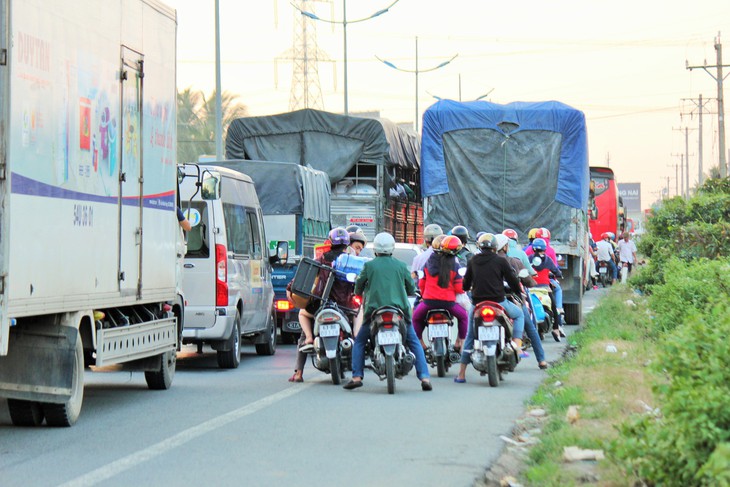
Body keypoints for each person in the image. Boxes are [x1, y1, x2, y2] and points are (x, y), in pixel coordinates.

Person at [343, 232, 432, 391]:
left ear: (375, 249)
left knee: (360, 342)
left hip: (373, 312)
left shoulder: (369, 266)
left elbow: (358, 287)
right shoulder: (400, 265)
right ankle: (424, 377)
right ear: (392, 248)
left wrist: (359, 292)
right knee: (413, 342)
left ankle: (356, 376)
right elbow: (411, 288)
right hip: (400, 311)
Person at [454, 233, 525, 383]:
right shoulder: (501, 261)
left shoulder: (473, 260)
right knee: (519, 315)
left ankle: (461, 374)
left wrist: (467, 287)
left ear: (479, 246)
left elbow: (466, 283)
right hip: (499, 302)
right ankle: (517, 345)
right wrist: (518, 292)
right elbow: (512, 280)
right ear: (495, 247)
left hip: (478, 303)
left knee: (470, 336)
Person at [288, 227, 356, 382]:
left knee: (303, 317)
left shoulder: (320, 259)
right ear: (347, 244)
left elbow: (302, 276)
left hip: (320, 305)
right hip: (345, 306)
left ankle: (299, 370)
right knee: (358, 315)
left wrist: (290, 287)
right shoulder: (350, 261)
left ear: (330, 242)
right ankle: (355, 338)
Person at [495, 234, 548, 369]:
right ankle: (541, 359)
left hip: (490, 300)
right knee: (530, 328)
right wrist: (531, 281)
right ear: (505, 247)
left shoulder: (486, 261)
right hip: (512, 299)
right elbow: (528, 281)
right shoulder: (514, 261)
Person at [412, 235, 469, 351]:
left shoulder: (429, 262)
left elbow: (421, 283)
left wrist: (423, 295)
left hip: (428, 302)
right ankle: (459, 342)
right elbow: (459, 288)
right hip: (448, 303)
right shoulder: (454, 264)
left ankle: (420, 342)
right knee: (464, 317)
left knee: (416, 318)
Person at [530, 238, 565, 342]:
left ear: (533, 248)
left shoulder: (529, 258)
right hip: (544, 289)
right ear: (545, 249)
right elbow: (557, 272)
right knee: (554, 309)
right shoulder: (548, 260)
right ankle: (556, 329)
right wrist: (558, 274)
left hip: (531, 289)